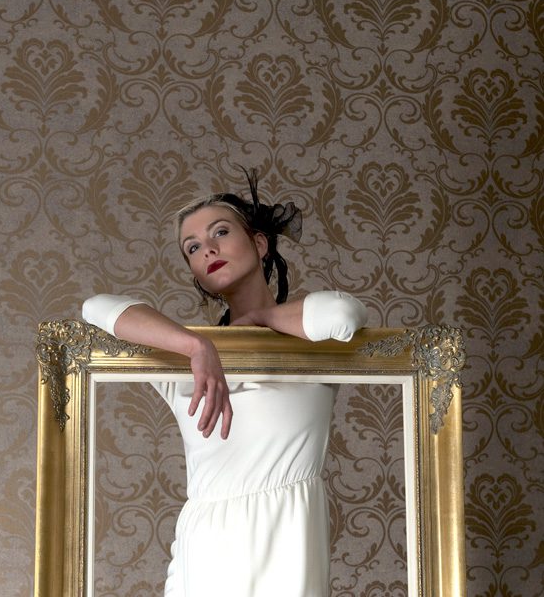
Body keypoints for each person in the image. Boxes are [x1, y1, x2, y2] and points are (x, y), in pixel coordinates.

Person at [82, 169, 368, 597]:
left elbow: (343, 316)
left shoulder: (310, 346)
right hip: (204, 559)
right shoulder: (184, 361)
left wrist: (260, 318)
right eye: (193, 247)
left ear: (259, 243)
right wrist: (196, 345)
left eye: (220, 232)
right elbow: (95, 309)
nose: (208, 249)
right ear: (196, 273)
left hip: (287, 551)